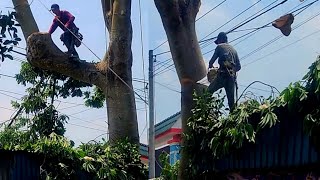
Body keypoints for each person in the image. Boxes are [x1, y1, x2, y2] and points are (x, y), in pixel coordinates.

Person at [208, 32, 241, 111]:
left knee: (208, 93)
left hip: (222, 75)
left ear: (220, 40)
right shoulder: (234, 50)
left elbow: (211, 62)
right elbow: (239, 67)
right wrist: (231, 70)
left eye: (218, 41)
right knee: (231, 102)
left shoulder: (219, 47)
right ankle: (233, 117)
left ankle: (206, 110)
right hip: (231, 77)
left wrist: (211, 66)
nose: (218, 43)